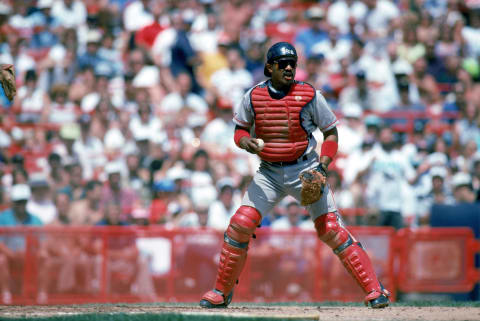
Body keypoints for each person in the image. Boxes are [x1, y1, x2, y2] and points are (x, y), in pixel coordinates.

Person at [199, 42, 390, 309]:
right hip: (268, 172)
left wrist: (322, 167)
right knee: (241, 223)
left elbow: (331, 133)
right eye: (282, 63)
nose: (289, 68)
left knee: (331, 229)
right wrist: (246, 143)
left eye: (292, 63)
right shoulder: (253, 96)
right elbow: (239, 131)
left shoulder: (310, 95)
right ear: (269, 67)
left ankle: (374, 289)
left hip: (305, 169)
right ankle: (221, 292)